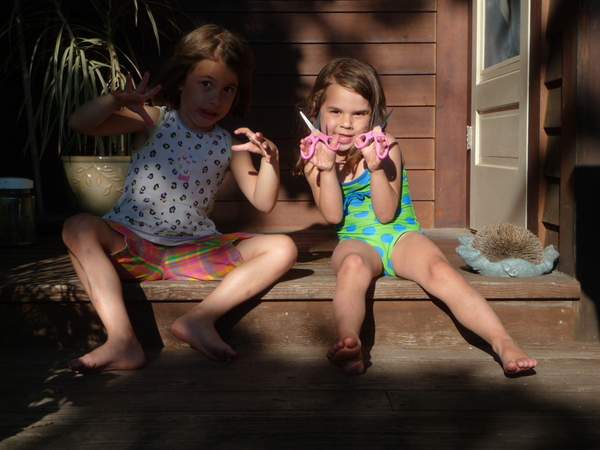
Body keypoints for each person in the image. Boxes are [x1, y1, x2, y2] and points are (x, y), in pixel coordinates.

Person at [63, 24, 297, 374]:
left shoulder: (228, 145)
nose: (215, 99)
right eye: (206, 84)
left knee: (283, 248)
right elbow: (80, 123)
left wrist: (271, 161)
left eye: (228, 89)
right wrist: (115, 100)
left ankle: (199, 320)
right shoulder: (152, 119)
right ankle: (122, 340)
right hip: (133, 246)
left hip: (193, 252)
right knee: (78, 226)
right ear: (182, 80)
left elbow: (263, 202)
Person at [294, 57, 537, 376]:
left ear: (374, 114)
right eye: (335, 111)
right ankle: (349, 342)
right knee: (351, 266)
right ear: (317, 109)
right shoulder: (314, 159)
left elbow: (385, 213)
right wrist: (326, 170)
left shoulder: (387, 147)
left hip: (400, 235)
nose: (347, 123)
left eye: (359, 113)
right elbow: (332, 214)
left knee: (440, 270)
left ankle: (502, 341)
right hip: (356, 240)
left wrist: (375, 168)